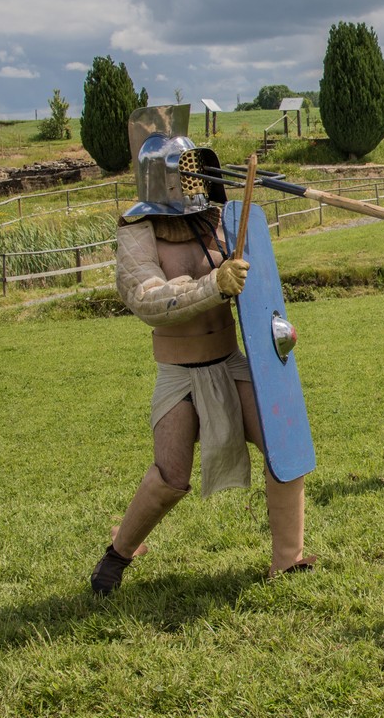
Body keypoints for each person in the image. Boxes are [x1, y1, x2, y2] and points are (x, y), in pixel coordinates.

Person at [90, 111, 314, 595]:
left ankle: (288, 558)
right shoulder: (137, 229)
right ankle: (119, 552)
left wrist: (271, 321)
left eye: (197, 166)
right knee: (170, 477)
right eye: (185, 168)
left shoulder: (218, 219)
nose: (193, 177)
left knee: (283, 443)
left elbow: (257, 284)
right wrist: (214, 283)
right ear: (163, 176)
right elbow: (146, 298)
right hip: (180, 372)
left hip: (233, 361)